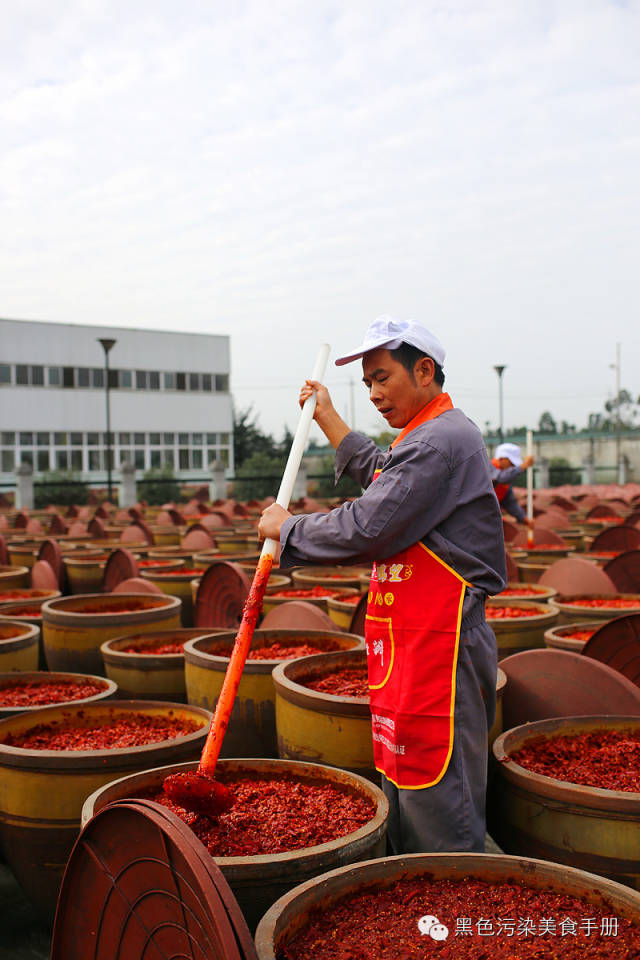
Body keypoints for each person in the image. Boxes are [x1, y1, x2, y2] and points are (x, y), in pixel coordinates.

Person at [258, 315, 507, 855]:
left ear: (423, 370)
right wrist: (328, 418)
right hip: (412, 645)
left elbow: (370, 525)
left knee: (442, 805)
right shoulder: (424, 438)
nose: (373, 393)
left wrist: (289, 527)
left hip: (443, 646)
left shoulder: (440, 440)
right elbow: (384, 475)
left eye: (381, 377)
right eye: (366, 382)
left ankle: (450, 908)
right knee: (409, 784)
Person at [490, 442, 535, 524]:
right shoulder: (488, 467)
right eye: (512, 464)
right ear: (502, 459)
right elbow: (501, 477)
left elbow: (509, 503)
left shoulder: (506, 478)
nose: (513, 467)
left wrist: (524, 518)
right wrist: (522, 466)